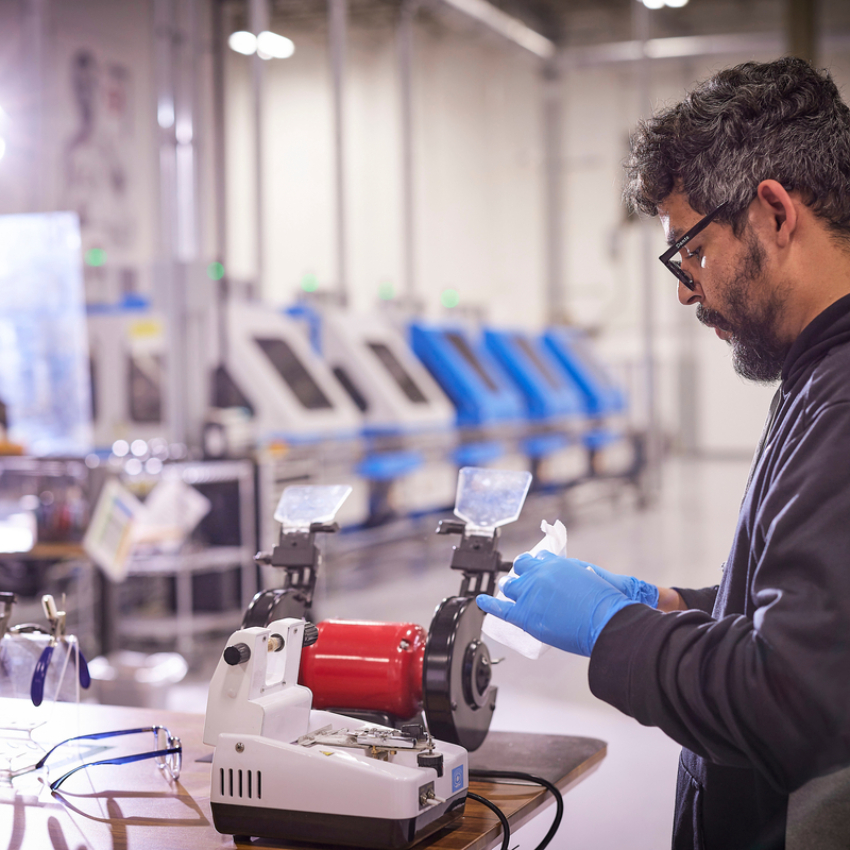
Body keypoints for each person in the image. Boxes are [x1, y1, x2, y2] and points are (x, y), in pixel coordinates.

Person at [477, 57, 850, 850]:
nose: (685, 289)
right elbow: (821, 616)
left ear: (775, 213)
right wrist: (674, 604)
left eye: (691, 250)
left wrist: (613, 629)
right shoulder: (819, 372)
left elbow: (788, 698)